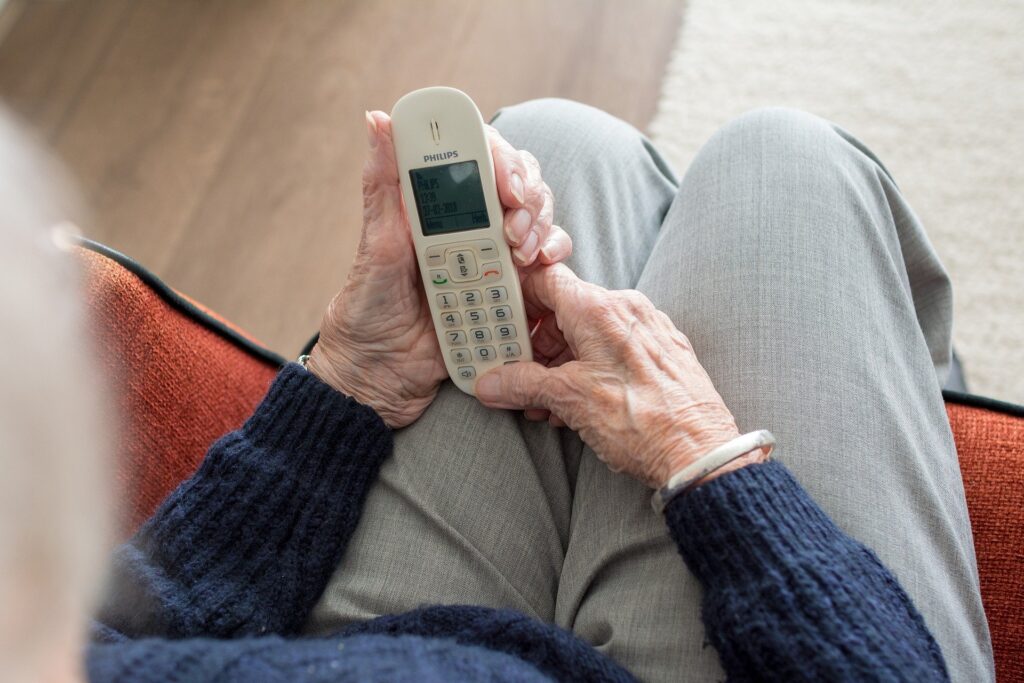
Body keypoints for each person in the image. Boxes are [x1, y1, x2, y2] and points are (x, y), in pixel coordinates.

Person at [4, 98, 994, 680]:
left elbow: (110, 637)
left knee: (555, 143)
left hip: (372, 645)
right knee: (786, 165)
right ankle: (914, 385)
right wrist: (708, 460)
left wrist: (347, 384)